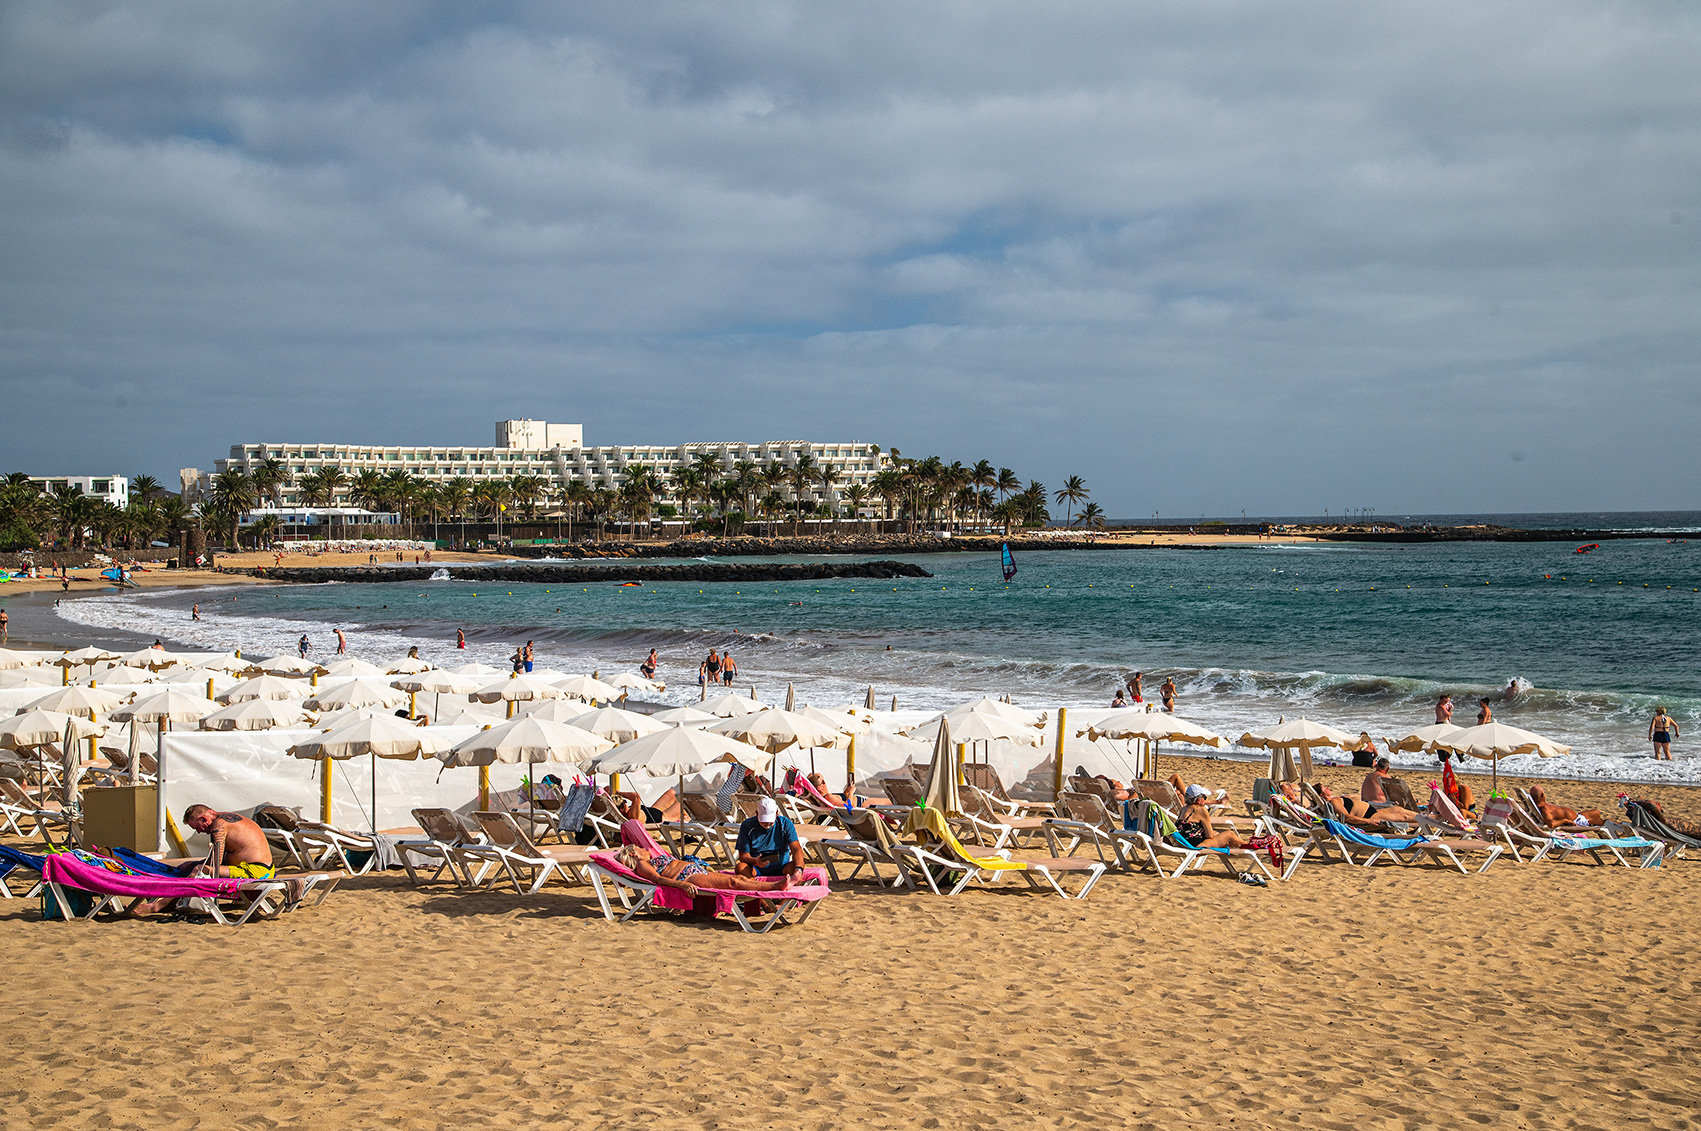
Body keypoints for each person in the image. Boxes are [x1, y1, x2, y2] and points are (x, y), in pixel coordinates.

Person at [123, 805, 276, 918]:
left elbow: (215, 864)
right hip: (266, 868)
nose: (199, 831)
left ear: (204, 819)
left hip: (255, 872)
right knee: (194, 867)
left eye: (198, 827)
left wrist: (195, 867)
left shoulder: (219, 826)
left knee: (199, 871)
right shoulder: (230, 817)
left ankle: (157, 906)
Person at [614, 821, 794, 897]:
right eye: (639, 848)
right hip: (687, 878)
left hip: (693, 871)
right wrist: (682, 885)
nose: (645, 849)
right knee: (733, 882)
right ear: (632, 854)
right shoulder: (642, 865)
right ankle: (773, 887)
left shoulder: (648, 860)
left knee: (738, 879)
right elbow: (659, 879)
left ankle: (773, 887)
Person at [735, 797, 804, 880]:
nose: (767, 825)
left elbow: (796, 848)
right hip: (756, 868)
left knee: (798, 866)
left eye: (770, 822)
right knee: (740, 868)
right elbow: (743, 856)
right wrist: (755, 861)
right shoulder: (747, 826)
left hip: (782, 867)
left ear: (777, 813)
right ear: (756, 814)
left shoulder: (785, 824)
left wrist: (798, 869)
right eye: (764, 822)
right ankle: (754, 884)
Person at [1175, 785, 1247, 848]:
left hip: (1183, 842)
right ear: (1198, 800)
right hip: (1195, 845)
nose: (1205, 800)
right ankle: (1248, 845)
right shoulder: (1201, 810)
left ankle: (1242, 845)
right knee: (1229, 834)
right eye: (1204, 797)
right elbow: (1209, 835)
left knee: (1217, 834)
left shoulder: (1184, 808)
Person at [1315, 784, 1418, 828]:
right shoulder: (1333, 802)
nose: (1328, 788)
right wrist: (1368, 821)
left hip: (1374, 812)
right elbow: (1346, 817)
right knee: (1404, 817)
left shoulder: (1336, 798)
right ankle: (1430, 821)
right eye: (1325, 788)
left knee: (1398, 809)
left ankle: (1430, 818)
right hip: (1369, 817)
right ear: (1322, 795)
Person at [1528, 784, 1605, 828]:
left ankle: (1604, 839)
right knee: (1606, 822)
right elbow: (1551, 824)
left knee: (1596, 812)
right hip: (1577, 822)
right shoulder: (1544, 809)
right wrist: (1564, 820)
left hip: (1578, 816)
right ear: (1542, 795)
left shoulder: (1540, 806)